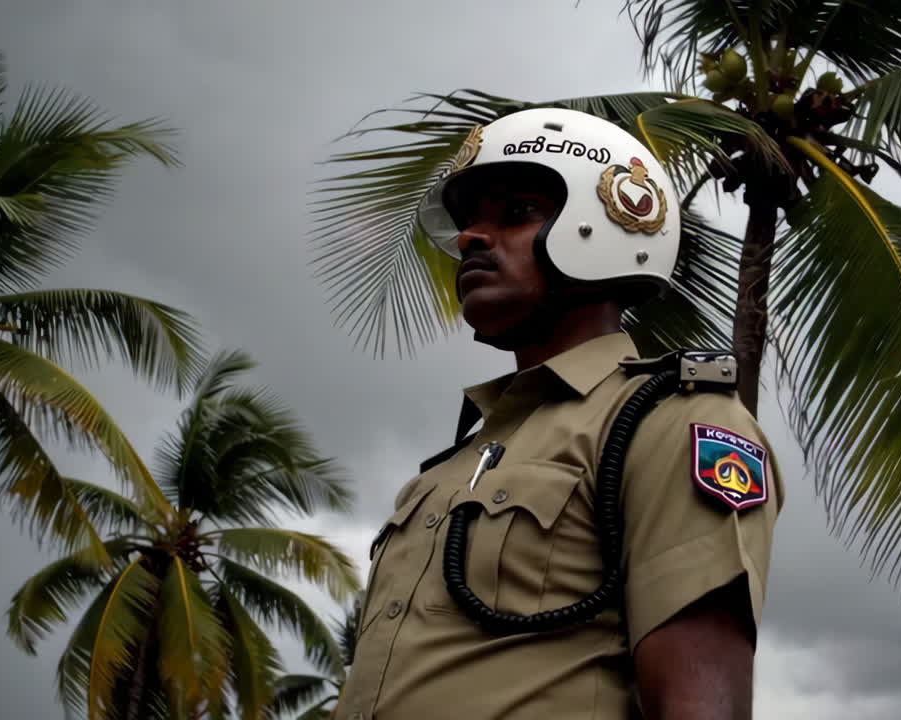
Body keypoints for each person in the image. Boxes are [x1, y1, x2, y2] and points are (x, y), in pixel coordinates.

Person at [333, 108, 784, 720]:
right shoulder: (451, 464)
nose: (470, 239)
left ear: (610, 225)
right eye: (468, 224)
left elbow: (699, 704)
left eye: (516, 214)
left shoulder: (668, 419)